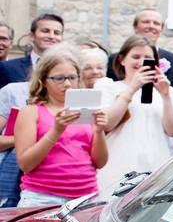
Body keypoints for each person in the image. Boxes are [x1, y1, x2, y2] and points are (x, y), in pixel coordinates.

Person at [13, 47, 108, 207]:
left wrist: (99, 132)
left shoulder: (86, 109)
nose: (67, 84)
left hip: (86, 196)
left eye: (72, 77)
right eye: (59, 78)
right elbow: (25, 164)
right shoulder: (31, 112)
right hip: (41, 197)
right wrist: (56, 131)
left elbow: (100, 162)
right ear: (44, 80)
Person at [96, 36, 173, 193]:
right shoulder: (108, 87)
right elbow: (107, 123)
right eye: (135, 57)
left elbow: (172, 130)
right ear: (122, 60)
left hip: (154, 167)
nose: (141, 62)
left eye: (147, 58)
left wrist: (166, 95)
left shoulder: (164, 92)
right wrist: (132, 88)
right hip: (119, 166)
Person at [108, 9, 173, 86]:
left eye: (156, 23)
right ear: (135, 27)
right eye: (146, 22)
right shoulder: (114, 59)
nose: (151, 26)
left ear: (161, 29)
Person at [0, 12, 64, 88]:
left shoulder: (69, 69)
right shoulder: (8, 68)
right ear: (31, 36)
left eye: (57, 33)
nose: (51, 36)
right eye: (45, 31)